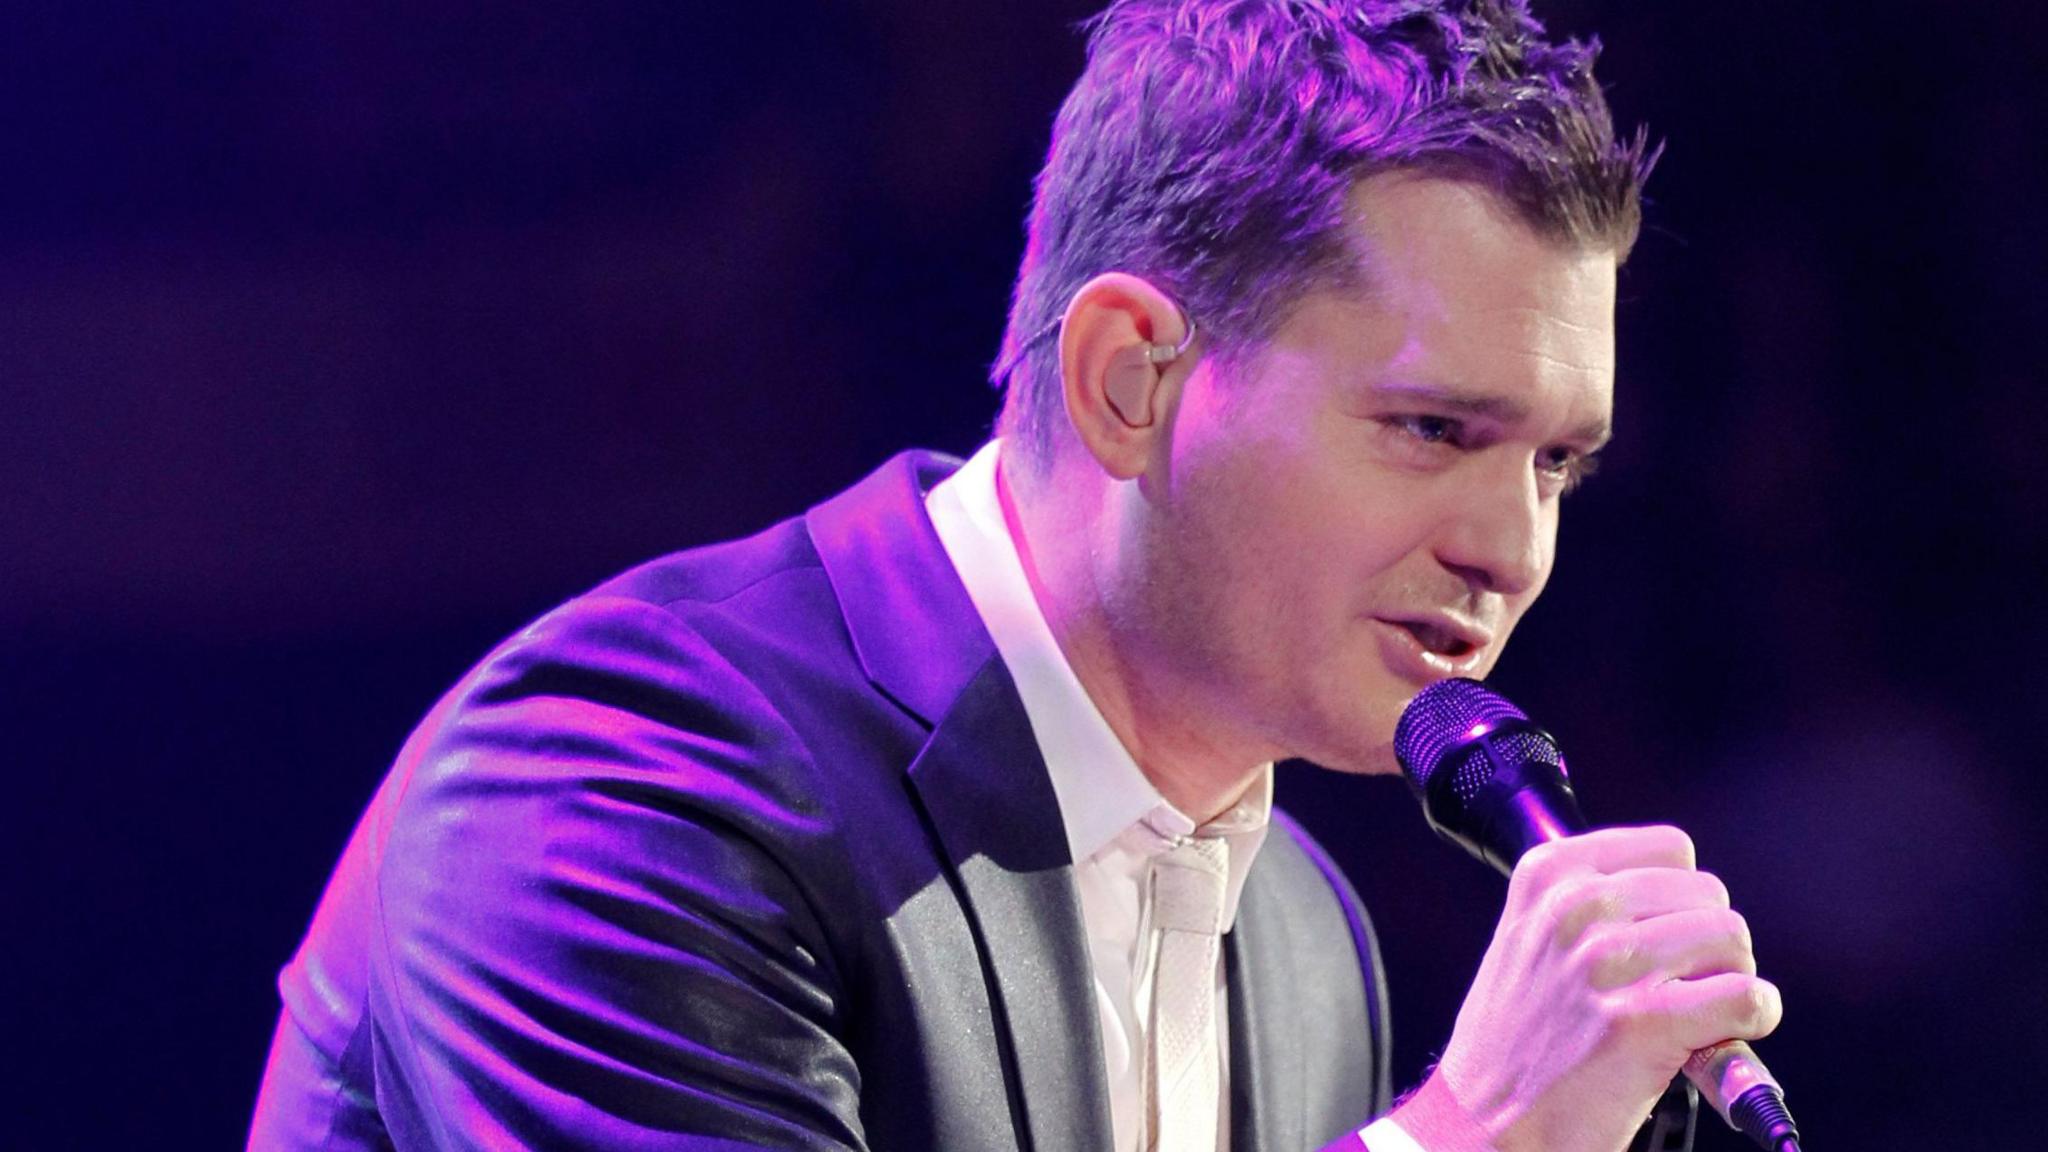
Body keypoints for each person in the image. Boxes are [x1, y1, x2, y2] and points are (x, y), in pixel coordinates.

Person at [249, 2, 1783, 1150]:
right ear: (1132, 379)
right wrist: (1472, 1133)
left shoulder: (1309, 941)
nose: (1510, 549)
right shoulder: (630, 788)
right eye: (1434, 427)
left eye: (1556, 467)